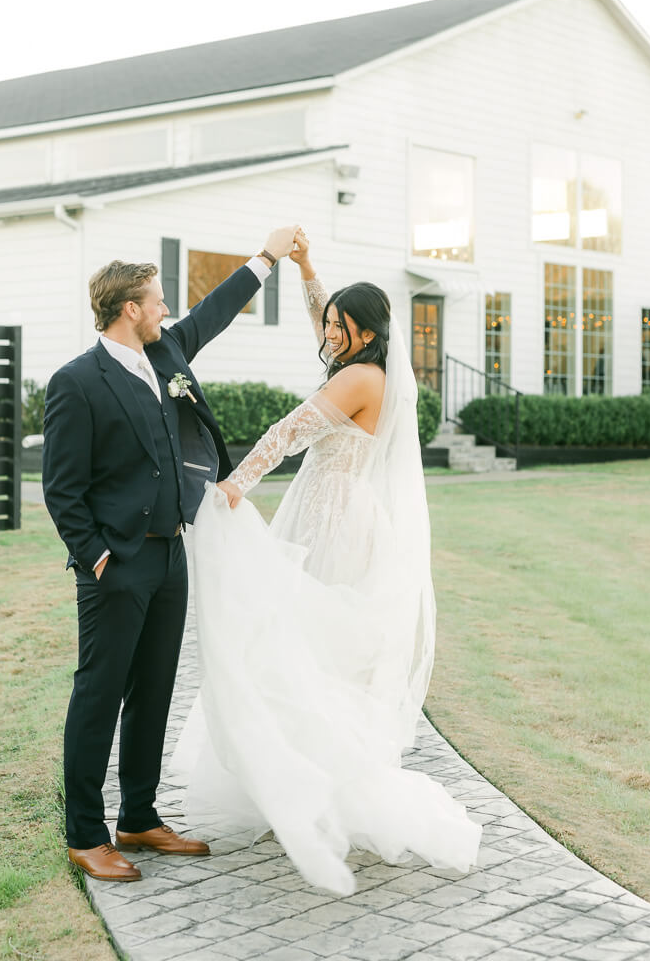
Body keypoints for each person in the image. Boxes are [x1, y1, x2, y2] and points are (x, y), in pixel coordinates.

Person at [174, 228, 482, 895]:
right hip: (338, 508)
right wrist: (307, 266)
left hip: (336, 519)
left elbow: (286, 432)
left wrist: (236, 486)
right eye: (331, 324)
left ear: (366, 334)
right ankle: (302, 775)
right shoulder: (369, 365)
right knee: (311, 645)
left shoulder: (359, 379)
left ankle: (329, 785)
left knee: (313, 646)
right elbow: (326, 318)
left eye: (343, 326)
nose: (331, 333)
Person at [42, 226, 298, 882]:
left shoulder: (169, 354)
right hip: (117, 567)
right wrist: (97, 557)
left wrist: (266, 258)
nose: (166, 310)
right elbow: (62, 490)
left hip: (170, 556)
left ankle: (139, 816)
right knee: (99, 694)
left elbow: (215, 311)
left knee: (154, 691)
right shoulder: (77, 382)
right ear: (129, 308)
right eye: (156, 301)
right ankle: (84, 833)